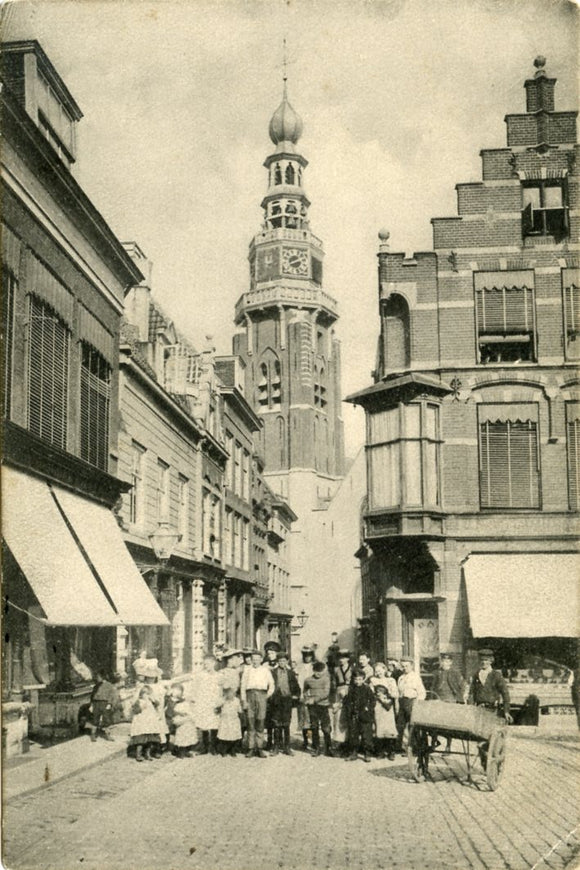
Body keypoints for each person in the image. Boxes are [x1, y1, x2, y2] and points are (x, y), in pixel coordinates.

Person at [240, 650, 275, 758]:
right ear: (251, 660)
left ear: (261, 660)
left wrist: (266, 696)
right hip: (250, 695)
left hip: (261, 695)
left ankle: (260, 748)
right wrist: (244, 700)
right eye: (253, 659)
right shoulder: (247, 670)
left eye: (257, 659)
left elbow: (272, 684)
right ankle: (251, 748)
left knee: (260, 722)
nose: (255, 661)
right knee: (250, 722)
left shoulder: (265, 670)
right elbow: (243, 686)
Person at [431, 651, 466, 754]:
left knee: (448, 724)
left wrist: (458, 698)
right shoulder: (437, 673)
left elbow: (462, 686)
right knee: (434, 722)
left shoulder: (455, 673)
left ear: (451, 662)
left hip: (450, 700)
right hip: (438, 700)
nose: (444, 663)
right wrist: (432, 698)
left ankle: (448, 746)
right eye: (443, 661)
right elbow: (433, 686)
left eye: (447, 661)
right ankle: (434, 742)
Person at [269, 650, 300, 755]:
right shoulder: (273, 672)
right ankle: (276, 747)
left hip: (287, 700)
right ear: (278, 662)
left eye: (284, 661)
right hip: (276, 700)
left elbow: (296, 686)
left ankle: (287, 747)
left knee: (286, 724)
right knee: (276, 724)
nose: (282, 663)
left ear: (287, 661)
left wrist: (296, 695)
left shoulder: (291, 673)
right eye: (280, 661)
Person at [468, 649, 512, 722]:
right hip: (478, 710)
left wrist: (506, 711)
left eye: (486, 660)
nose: (484, 662)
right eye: (482, 660)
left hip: (492, 710)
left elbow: (505, 694)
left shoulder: (496, 675)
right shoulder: (476, 675)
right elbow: (471, 693)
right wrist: (470, 708)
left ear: (491, 661)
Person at [191, 654, 222, 755]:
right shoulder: (200, 675)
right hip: (203, 701)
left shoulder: (218, 675)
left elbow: (220, 690)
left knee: (214, 724)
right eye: (204, 664)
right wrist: (195, 700)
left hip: (214, 702)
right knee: (203, 724)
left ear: (213, 663)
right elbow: (195, 688)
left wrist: (219, 702)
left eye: (208, 664)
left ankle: (213, 747)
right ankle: (204, 747)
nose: (206, 666)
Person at [344, 669, 376, 762]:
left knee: (366, 735)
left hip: (365, 715)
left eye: (360, 679)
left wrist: (368, 708)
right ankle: (353, 753)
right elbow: (348, 701)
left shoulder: (367, 689)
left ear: (363, 679)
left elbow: (373, 701)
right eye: (356, 679)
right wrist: (350, 710)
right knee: (353, 735)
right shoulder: (351, 689)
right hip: (354, 715)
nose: (358, 681)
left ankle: (367, 753)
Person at [303, 660, 334, 757]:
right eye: (316, 671)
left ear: (323, 671)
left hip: (323, 706)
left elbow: (326, 693)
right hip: (312, 707)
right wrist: (307, 699)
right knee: (314, 727)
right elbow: (304, 691)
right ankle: (316, 748)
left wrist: (315, 699)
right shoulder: (308, 680)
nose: (318, 673)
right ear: (313, 670)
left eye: (320, 671)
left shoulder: (326, 679)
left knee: (326, 728)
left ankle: (328, 748)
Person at [370, 662, 398, 759]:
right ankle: (380, 751)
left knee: (389, 728)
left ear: (384, 669)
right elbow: (370, 693)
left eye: (380, 670)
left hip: (387, 706)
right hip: (377, 706)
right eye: (376, 671)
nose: (378, 673)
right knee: (379, 727)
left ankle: (391, 751)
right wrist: (377, 696)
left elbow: (395, 693)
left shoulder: (390, 680)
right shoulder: (373, 680)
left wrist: (386, 696)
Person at [396, 657, 426, 750]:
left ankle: (416, 748)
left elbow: (422, 693)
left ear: (412, 666)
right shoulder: (401, 678)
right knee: (400, 725)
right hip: (402, 702)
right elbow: (399, 692)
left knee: (413, 726)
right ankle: (399, 747)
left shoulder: (415, 677)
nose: (405, 668)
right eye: (403, 666)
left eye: (407, 666)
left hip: (411, 702)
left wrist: (416, 705)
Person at [129, 685, 161, 762]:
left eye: (149, 694)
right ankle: (138, 754)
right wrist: (141, 707)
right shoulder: (139, 701)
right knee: (141, 740)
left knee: (150, 739)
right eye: (145, 694)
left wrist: (153, 700)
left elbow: (157, 704)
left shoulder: (151, 702)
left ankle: (147, 754)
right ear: (141, 694)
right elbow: (135, 710)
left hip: (150, 723)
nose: (147, 696)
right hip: (141, 723)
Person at [331, 649, 353, 752]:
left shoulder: (352, 668)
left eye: (344, 658)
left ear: (347, 659)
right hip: (338, 692)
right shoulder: (336, 669)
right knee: (338, 716)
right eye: (340, 658)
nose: (341, 660)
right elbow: (333, 683)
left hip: (349, 691)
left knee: (348, 715)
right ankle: (339, 741)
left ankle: (348, 742)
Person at [295, 645, 315, 751]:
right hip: (302, 694)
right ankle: (305, 741)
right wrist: (299, 693)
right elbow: (296, 681)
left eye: (309, 655)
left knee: (311, 719)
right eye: (305, 655)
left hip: (312, 694)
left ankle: (312, 740)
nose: (307, 657)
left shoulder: (314, 666)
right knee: (303, 719)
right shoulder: (299, 667)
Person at [88, 671, 118, 742]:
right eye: (97, 677)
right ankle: (93, 735)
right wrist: (91, 705)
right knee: (95, 720)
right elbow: (92, 696)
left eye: (98, 677)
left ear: (103, 677)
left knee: (106, 720)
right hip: (96, 703)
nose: (97, 678)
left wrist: (109, 704)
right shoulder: (96, 686)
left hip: (105, 703)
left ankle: (108, 735)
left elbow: (112, 695)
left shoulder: (109, 685)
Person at [170, 683, 197, 758]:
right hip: (180, 719)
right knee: (181, 735)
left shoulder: (187, 703)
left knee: (189, 734)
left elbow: (192, 709)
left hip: (188, 720)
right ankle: (180, 751)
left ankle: (187, 750)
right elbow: (173, 710)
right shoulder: (173, 702)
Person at [263, 641, 280, 750]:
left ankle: (278, 742)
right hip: (268, 695)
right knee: (269, 720)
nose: (270, 655)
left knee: (278, 720)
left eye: (272, 653)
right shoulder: (264, 665)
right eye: (268, 653)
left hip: (278, 695)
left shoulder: (281, 664)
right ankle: (269, 742)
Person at [217, 686, 243, 756]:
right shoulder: (223, 700)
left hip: (233, 720)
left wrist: (239, 710)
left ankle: (232, 750)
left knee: (233, 736)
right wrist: (223, 700)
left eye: (232, 693)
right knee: (224, 735)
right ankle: (224, 750)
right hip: (225, 720)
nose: (230, 695)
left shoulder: (236, 700)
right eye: (228, 693)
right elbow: (217, 705)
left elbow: (240, 710)